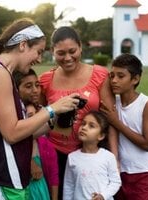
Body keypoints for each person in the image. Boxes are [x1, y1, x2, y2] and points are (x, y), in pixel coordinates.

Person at [0, 18, 79, 200]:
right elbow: (12, 133)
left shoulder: (5, 74)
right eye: (39, 52)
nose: (40, 59)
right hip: (0, 176)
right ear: (23, 45)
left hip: (12, 177)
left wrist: (56, 117)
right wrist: (51, 109)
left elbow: (23, 132)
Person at [39, 26, 116, 199]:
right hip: (55, 154)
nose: (67, 58)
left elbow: (110, 119)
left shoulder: (99, 74)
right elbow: (38, 119)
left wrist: (114, 157)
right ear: (52, 51)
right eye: (60, 53)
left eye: (72, 51)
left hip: (91, 153)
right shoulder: (45, 80)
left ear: (80, 47)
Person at [100, 53, 148, 200]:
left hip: (143, 173)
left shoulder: (147, 104)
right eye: (112, 76)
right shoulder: (114, 104)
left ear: (135, 79)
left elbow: (146, 143)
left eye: (121, 76)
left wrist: (116, 122)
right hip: (119, 172)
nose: (114, 80)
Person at [13, 69, 59, 200]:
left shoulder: (36, 107)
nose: (35, 90)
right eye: (28, 86)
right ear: (16, 89)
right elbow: (19, 136)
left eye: (37, 85)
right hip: (24, 167)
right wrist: (31, 162)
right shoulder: (15, 111)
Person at [63, 111, 121, 200]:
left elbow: (116, 182)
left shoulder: (108, 157)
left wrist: (103, 196)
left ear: (101, 136)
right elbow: (68, 186)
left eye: (91, 126)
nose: (84, 128)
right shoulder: (72, 157)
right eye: (83, 124)